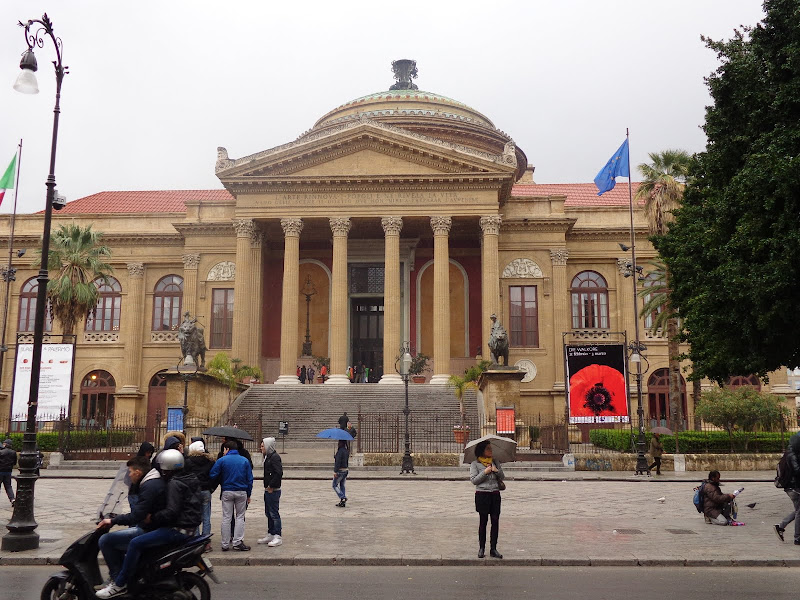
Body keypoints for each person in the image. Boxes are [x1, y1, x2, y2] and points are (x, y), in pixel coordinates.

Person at [96, 449, 202, 599]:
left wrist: (152, 518)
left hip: (178, 529)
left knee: (135, 543)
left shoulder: (174, 484)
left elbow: (171, 512)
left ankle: (119, 584)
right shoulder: (190, 478)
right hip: (189, 528)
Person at [96, 456, 165, 590]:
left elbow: (137, 515)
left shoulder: (149, 486)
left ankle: (118, 581)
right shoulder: (150, 482)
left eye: (130, 471)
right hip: (151, 526)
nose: (129, 474)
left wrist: (113, 520)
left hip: (149, 529)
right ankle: (123, 574)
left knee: (106, 540)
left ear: (138, 472)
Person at [209, 439, 253, 551]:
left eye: (224, 449)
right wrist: (249, 494)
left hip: (227, 491)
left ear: (227, 449)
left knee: (226, 517)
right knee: (240, 517)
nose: (223, 452)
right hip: (241, 491)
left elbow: (213, 475)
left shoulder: (222, 461)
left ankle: (225, 543)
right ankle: (237, 542)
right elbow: (250, 479)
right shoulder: (244, 461)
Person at [470, 440, 505, 559]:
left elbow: (503, 476)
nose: (490, 451)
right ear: (482, 451)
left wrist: (496, 471)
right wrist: (485, 472)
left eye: (491, 448)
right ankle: (481, 548)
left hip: (495, 494)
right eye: (488, 449)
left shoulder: (495, 462)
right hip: (482, 495)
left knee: (495, 522)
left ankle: (493, 548)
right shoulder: (475, 464)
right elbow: (474, 480)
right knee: (483, 522)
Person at [186, 440, 216, 540]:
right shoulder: (210, 461)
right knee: (206, 516)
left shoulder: (188, 461)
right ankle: (206, 540)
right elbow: (214, 476)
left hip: (194, 490)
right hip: (206, 490)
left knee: (195, 515)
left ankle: (196, 539)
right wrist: (211, 487)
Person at [258, 437, 284, 547]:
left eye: (263, 446)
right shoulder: (268, 457)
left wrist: (271, 485)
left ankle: (277, 535)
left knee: (274, 513)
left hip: (273, 490)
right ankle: (271, 532)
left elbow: (279, 473)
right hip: (268, 489)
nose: (261, 448)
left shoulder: (274, 457)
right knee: (268, 512)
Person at [775, 432, 800, 543]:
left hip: (791, 487)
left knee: (798, 510)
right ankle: (797, 537)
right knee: (799, 511)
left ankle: (781, 526)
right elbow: (797, 470)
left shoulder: (789, 453)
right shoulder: (793, 455)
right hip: (794, 487)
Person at [126, 442, 155, 509]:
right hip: (134, 491)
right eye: (147, 452)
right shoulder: (136, 462)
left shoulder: (148, 462)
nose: (149, 455)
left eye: (150, 453)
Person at [0, 438, 17, 507]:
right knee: (8, 486)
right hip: (8, 471)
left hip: (0, 471)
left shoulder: (1, 452)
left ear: (5, 444)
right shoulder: (13, 452)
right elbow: (15, 463)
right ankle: (12, 499)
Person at [333, 439, 349, 507]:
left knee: (334, 485)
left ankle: (342, 497)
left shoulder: (340, 451)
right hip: (345, 470)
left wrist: (335, 471)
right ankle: (342, 502)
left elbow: (338, 462)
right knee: (342, 485)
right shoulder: (346, 451)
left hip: (340, 470)